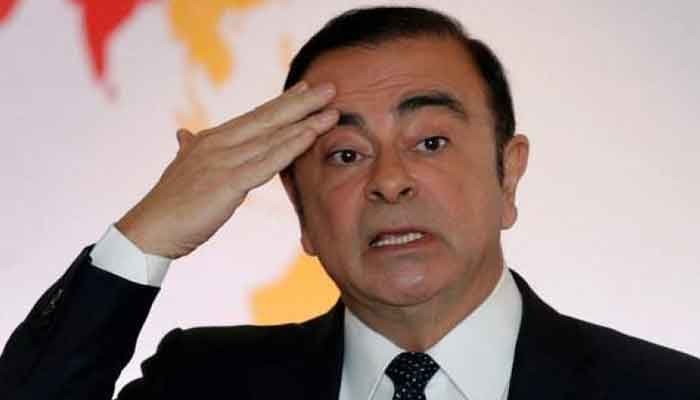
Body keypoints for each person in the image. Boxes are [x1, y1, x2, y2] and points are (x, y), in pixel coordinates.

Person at [0, 6, 698, 400]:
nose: (389, 181)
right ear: (299, 207)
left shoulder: (664, 391)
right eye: (345, 154)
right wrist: (145, 237)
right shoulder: (203, 383)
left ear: (508, 176)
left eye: (430, 142)